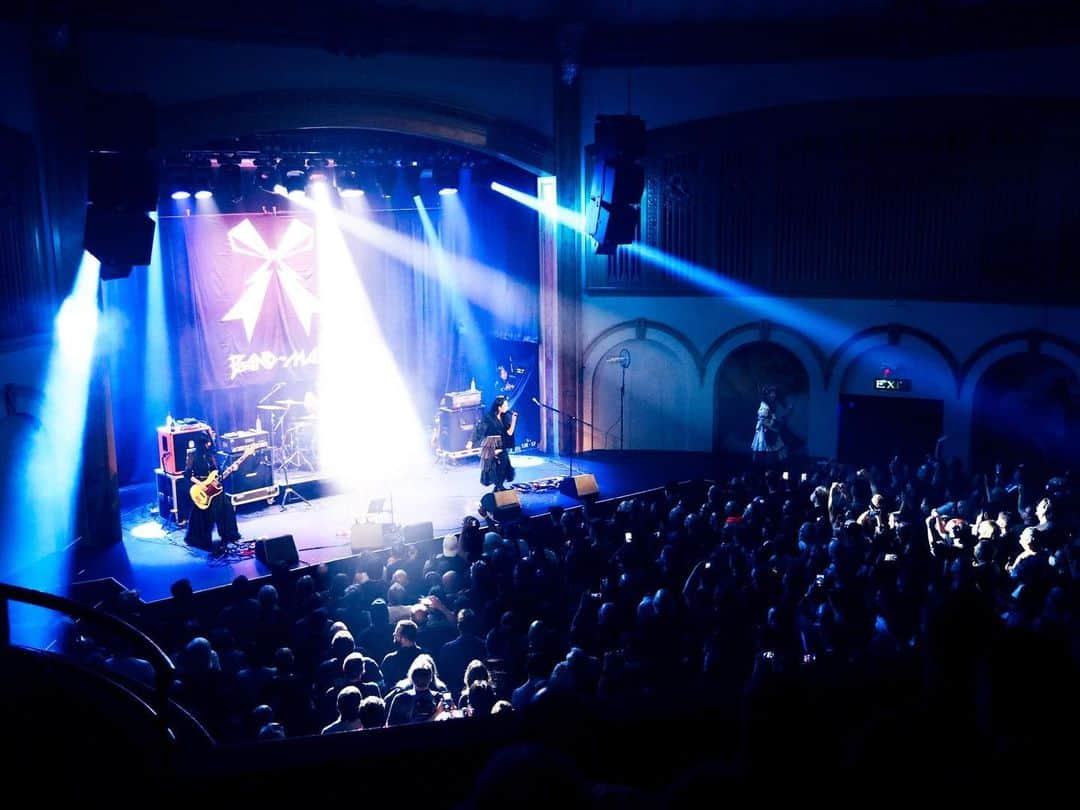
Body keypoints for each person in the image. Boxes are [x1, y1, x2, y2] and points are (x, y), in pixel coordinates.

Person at [184, 436, 241, 550]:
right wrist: (201, 484)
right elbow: (187, 474)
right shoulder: (192, 455)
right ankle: (200, 540)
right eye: (207, 443)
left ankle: (228, 534)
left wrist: (232, 469)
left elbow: (217, 473)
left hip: (214, 487)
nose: (209, 445)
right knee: (204, 515)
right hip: (201, 486)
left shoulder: (211, 455)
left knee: (226, 508)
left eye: (209, 443)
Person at [467, 395, 517, 491]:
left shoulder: (505, 417)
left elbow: (509, 432)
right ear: (499, 407)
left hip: (501, 443)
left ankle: (498, 486)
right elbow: (479, 429)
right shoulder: (489, 417)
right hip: (491, 444)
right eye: (505, 405)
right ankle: (498, 486)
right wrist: (471, 441)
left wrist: (514, 420)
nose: (507, 407)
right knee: (493, 466)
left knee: (504, 464)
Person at [750, 385, 787, 466]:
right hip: (765, 433)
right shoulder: (764, 406)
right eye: (771, 393)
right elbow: (763, 421)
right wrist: (773, 428)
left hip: (771, 431)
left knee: (777, 452)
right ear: (767, 395)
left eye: (774, 393)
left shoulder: (772, 405)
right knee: (765, 453)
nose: (773, 395)